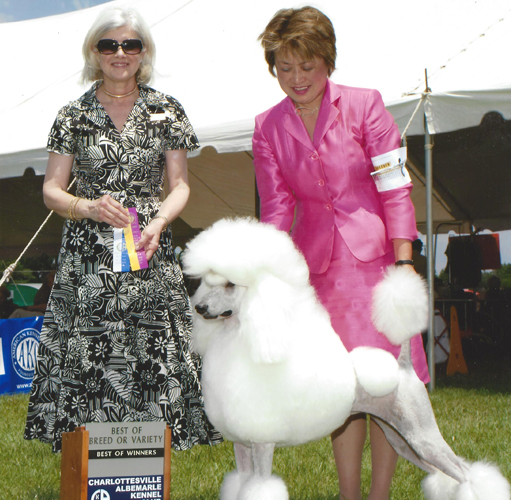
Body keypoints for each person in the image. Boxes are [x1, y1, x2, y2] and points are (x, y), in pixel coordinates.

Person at [24, 7, 222, 452]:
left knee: (151, 360)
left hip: (147, 250)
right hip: (88, 260)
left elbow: (180, 187)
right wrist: (87, 206)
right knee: (91, 358)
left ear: (143, 52)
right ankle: (94, 467)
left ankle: (145, 468)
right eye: (109, 44)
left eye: (130, 44)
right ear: (94, 52)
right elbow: (52, 191)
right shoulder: (72, 114)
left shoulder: (166, 109)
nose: (120, 53)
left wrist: (158, 222)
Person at [253, 7, 429, 500]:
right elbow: (276, 208)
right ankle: (348, 495)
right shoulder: (267, 127)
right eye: (284, 68)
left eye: (305, 66)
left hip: (375, 269)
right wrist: (269, 275)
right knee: (341, 389)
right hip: (318, 277)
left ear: (326, 61)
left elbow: (395, 188)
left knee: (385, 388)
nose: (296, 78)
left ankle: (380, 496)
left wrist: (403, 260)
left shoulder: (365, 105)